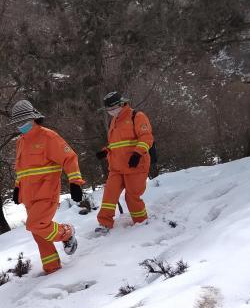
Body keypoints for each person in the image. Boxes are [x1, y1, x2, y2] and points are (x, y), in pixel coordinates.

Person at [10, 100, 85, 274]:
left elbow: (70, 158)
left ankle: (67, 233)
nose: (21, 126)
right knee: (39, 234)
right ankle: (52, 268)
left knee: (35, 224)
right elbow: (21, 171)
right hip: (28, 195)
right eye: (17, 123)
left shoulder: (48, 137)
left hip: (46, 192)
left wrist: (75, 182)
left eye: (24, 121)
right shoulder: (20, 142)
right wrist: (17, 188)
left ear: (33, 118)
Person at [95, 92, 154, 234]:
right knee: (109, 195)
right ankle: (105, 224)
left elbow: (146, 138)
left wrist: (138, 153)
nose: (110, 112)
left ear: (121, 104)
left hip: (135, 165)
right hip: (116, 167)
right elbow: (117, 144)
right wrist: (106, 150)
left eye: (112, 108)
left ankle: (141, 223)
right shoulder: (114, 121)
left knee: (132, 197)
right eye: (108, 110)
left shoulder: (137, 116)